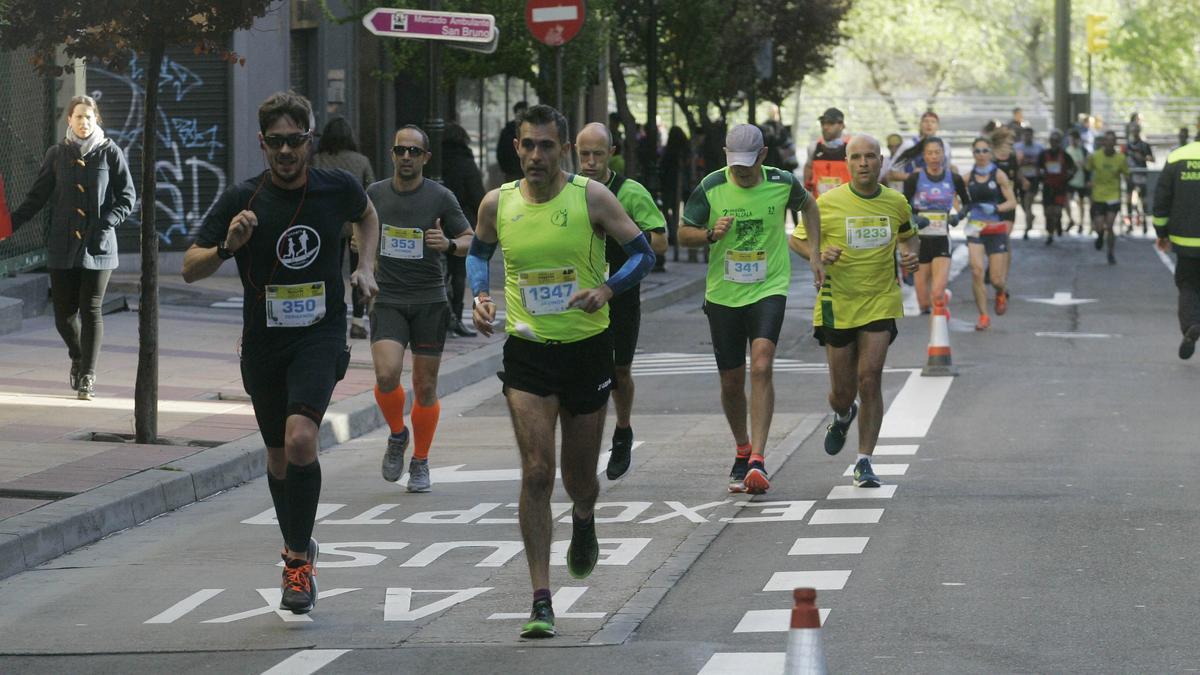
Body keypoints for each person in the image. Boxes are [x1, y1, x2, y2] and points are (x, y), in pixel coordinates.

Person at [182, 91, 380, 614]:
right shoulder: (242, 199)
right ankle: (300, 545)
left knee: (299, 439)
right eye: (276, 142)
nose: (287, 151)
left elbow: (368, 216)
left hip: (319, 334)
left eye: (296, 140)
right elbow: (189, 267)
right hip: (265, 342)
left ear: (310, 140)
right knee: (275, 455)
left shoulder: (337, 187)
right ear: (262, 143)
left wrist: (365, 267)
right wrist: (227, 245)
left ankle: (296, 561)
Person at [467, 104, 654, 639]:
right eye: (527, 145)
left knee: (578, 479)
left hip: (587, 350)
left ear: (564, 150)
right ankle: (540, 597)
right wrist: (479, 294)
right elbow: (477, 254)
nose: (535, 156)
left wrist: (608, 289)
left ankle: (586, 517)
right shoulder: (496, 203)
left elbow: (642, 254)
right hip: (528, 353)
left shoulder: (590, 197)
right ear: (516, 148)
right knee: (535, 472)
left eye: (546, 146)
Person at [680, 124, 822, 495]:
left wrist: (816, 255)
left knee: (761, 364)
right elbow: (683, 232)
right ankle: (742, 448)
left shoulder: (781, 181)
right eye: (734, 164)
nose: (740, 172)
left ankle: (758, 458)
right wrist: (711, 234)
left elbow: (810, 207)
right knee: (731, 381)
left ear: (762, 156)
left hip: (768, 287)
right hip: (724, 294)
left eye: (747, 165)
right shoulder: (711, 186)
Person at [791, 135, 917, 489]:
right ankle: (844, 413)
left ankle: (864, 461)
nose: (864, 163)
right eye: (857, 157)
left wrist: (909, 254)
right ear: (847, 163)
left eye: (871, 157)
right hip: (838, 303)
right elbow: (797, 239)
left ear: (882, 162)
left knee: (870, 377)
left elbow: (909, 236)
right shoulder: (826, 204)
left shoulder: (896, 203)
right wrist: (817, 254)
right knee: (842, 391)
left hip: (880, 300)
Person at [9, 95, 135, 400]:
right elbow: (36, 197)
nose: (84, 122)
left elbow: (127, 197)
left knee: (91, 310)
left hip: (99, 246)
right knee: (64, 316)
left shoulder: (109, 152)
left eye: (89, 117)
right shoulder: (57, 154)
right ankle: (78, 356)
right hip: (62, 246)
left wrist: (106, 223)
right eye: (78, 117)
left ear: (96, 120)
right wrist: (8, 226)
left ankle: (88, 375)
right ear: (69, 120)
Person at [370, 125, 474, 493]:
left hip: (430, 299)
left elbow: (469, 240)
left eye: (415, 152)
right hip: (388, 298)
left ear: (426, 157)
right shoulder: (375, 194)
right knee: (386, 375)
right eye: (401, 151)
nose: (407, 157)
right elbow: (358, 228)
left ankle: (420, 461)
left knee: (425, 385)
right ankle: (398, 435)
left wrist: (446, 243)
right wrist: (363, 260)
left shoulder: (441, 197)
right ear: (393, 154)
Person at [574, 122, 668, 479]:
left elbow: (659, 242)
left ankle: (623, 429)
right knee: (588, 371)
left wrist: (623, 230)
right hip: (583, 294)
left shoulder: (630, 192)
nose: (591, 161)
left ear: (612, 152)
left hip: (622, 293)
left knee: (619, 370)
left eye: (598, 153)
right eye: (585, 154)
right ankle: (586, 439)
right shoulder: (571, 190)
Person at [311, 116, 374, 339]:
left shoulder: (317, 159)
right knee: (358, 273)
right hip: (357, 224)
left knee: (330, 272)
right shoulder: (362, 161)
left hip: (326, 224)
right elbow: (371, 193)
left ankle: (329, 316)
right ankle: (357, 322)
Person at [902, 137, 969, 314]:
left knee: (937, 294)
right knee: (923, 303)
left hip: (942, 238)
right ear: (924, 156)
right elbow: (902, 207)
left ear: (943, 154)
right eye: (930, 153)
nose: (934, 157)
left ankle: (941, 296)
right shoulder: (914, 179)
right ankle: (938, 299)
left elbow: (967, 203)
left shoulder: (954, 178)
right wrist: (914, 218)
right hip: (919, 241)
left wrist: (958, 216)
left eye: (937, 152)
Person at [963, 136, 1018, 330]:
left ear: (990, 153)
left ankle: (1001, 292)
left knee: (996, 279)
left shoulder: (999, 175)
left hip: (995, 228)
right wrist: (964, 210)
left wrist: (995, 209)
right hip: (975, 228)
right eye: (977, 151)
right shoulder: (968, 176)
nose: (981, 155)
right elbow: (956, 196)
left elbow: (1012, 202)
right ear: (973, 154)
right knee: (977, 271)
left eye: (985, 151)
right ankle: (984, 316)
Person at [1152, 136, 1200, 359]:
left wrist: (1161, 233)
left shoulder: (1178, 157)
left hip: (1186, 240)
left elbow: (1162, 198)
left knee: (1188, 284)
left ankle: (1191, 325)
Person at [441, 122, 484, 338]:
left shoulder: (436, 162)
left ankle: (442, 317)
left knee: (439, 271)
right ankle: (455, 317)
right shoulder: (466, 164)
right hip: (462, 226)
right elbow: (478, 197)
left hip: (437, 224)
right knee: (458, 274)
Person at [1085, 130, 1129, 264]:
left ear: (1115, 143)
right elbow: (1087, 169)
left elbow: (1126, 175)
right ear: (1103, 142)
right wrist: (1088, 182)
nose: (1110, 143)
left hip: (1113, 195)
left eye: (1112, 140)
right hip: (1098, 195)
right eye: (1107, 140)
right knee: (1099, 226)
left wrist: (1129, 187)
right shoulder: (1095, 156)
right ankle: (1099, 236)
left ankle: (1110, 253)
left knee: (1109, 225)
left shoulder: (1121, 158)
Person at [887, 111, 952, 183]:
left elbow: (947, 170)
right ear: (920, 125)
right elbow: (891, 174)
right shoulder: (909, 145)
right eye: (925, 121)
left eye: (933, 122)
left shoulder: (945, 146)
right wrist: (913, 176)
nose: (929, 124)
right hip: (913, 190)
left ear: (938, 126)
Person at [1037, 130, 1077, 245]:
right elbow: (1037, 168)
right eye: (1052, 140)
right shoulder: (1044, 154)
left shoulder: (1065, 155)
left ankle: (1058, 221)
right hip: (1048, 187)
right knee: (1048, 212)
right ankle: (1050, 234)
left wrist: (1068, 178)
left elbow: (1074, 168)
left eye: (1056, 140)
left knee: (1057, 211)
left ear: (1059, 142)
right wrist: (1041, 177)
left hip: (1060, 187)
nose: (1054, 143)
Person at [660, 125, 693, 266]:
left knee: (669, 210)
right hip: (683, 184)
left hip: (670, 185)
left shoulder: (670, 152)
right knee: (679, 211)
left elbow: (663, 168)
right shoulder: (686, 151)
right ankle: (676, 234)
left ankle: (673, 234)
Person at [804, 108, 851, 197]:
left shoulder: (852, 148)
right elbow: (808, 167)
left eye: (830, 123)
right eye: (823, 123)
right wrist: (807, 186)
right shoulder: (813, 148)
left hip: (845, 205)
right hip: (820, 206)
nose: (825, 127)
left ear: (842, 125)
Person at [1122, 125, 1155, 234]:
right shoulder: (1127, 146)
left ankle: (1145, 224)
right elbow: (1122, 159)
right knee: (1129, 201)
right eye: (1133, 130)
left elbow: (1152, 159)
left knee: (1143, 201)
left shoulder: (1144, 145)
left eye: (1136, 130)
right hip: (1130, 177)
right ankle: (1129, 225)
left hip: (1142, 176)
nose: (1135, 132)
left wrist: (1143, 158)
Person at [1013, 127, 1044, 239]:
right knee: (1023, 203)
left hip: (1033, 179)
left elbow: (1044, 162)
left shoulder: (1039, 148)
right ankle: (1030, 217)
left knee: (1027, 202)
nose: (1027, 137)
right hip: (1021, 178)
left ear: (1032, 136)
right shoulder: (1016, 147)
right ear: (1022, 136)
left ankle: (1027, 228)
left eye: (1029, 135)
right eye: (1025, 135)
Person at [1065, 129, 1090, 233]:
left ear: (1078, 140)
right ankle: (1071, 219)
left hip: (1081, 181)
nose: (1072, 142)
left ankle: (1081, 223)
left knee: (1081, 203)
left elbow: (1088, 166)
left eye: (1074, 139)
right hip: (1070, 181)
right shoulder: (1067, 150)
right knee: (1066, 201)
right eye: (1070, 139)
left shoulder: (1084, 151)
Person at [496, 101, 528, 183]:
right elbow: (501, 151)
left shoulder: (507, 130)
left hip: (514, 170)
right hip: (516, 170)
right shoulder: (508, 130)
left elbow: (500, 151)